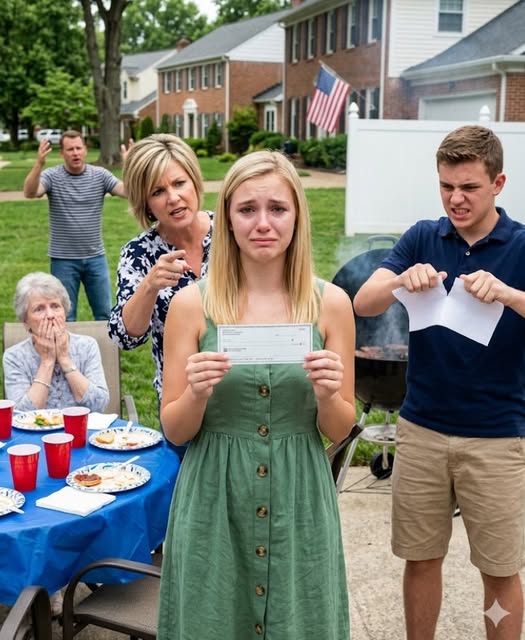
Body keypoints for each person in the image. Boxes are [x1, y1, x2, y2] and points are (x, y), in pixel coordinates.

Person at [158, 150, 356, 639]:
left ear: (297, 216)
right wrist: (196, 394)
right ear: (226, 218)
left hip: (298, 498)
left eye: (277, 208)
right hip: (214, 497)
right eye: (247, 209)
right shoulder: (191, 305)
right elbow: (175, 430)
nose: (263, 223)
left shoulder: (331, 304)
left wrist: (328, 395)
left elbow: (339, 428)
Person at [353, 125, 525, 640]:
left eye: (469, 187)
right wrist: (399, 279)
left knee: (499, 568)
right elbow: (364, 302)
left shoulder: (520, 245)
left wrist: (509, 294)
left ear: (498, 183)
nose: (456, 199)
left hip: (497, 435)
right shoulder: (423, 237)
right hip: (422, 427)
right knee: (421, 557)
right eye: (447, 186)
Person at [107, 133, 213, 457]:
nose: (173, 198)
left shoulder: (232, 233)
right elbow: (124, 336)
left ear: (194, 181)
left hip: (242, 394)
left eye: (179, 183)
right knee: (184, 487)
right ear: (146, 203)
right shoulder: (139, 253)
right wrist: (149, 286)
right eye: (158, 191)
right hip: (180, 403)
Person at [23, 130, 126, 321]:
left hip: (95, 257)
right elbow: (30, 192)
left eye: (79, 148)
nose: (75, 153)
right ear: (62, 153)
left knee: (105, 314)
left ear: (85, 150)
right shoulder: (52, 176)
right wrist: (39, 164)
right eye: (70, 149)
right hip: (63, 260)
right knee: (65, 316)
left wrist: (130, 165)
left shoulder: (100, 175)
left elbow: (128, 192)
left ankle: (105, 343)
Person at [3, 271, 109, 412]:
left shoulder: (87, 346)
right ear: (25, 321)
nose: (50, 315)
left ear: (65, 312)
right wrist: (47, 361)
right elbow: (20, 413)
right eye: (39, 309)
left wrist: (64, 358)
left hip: (82, 425)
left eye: (55, 306)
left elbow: (99, 405)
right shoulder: (14, 356)